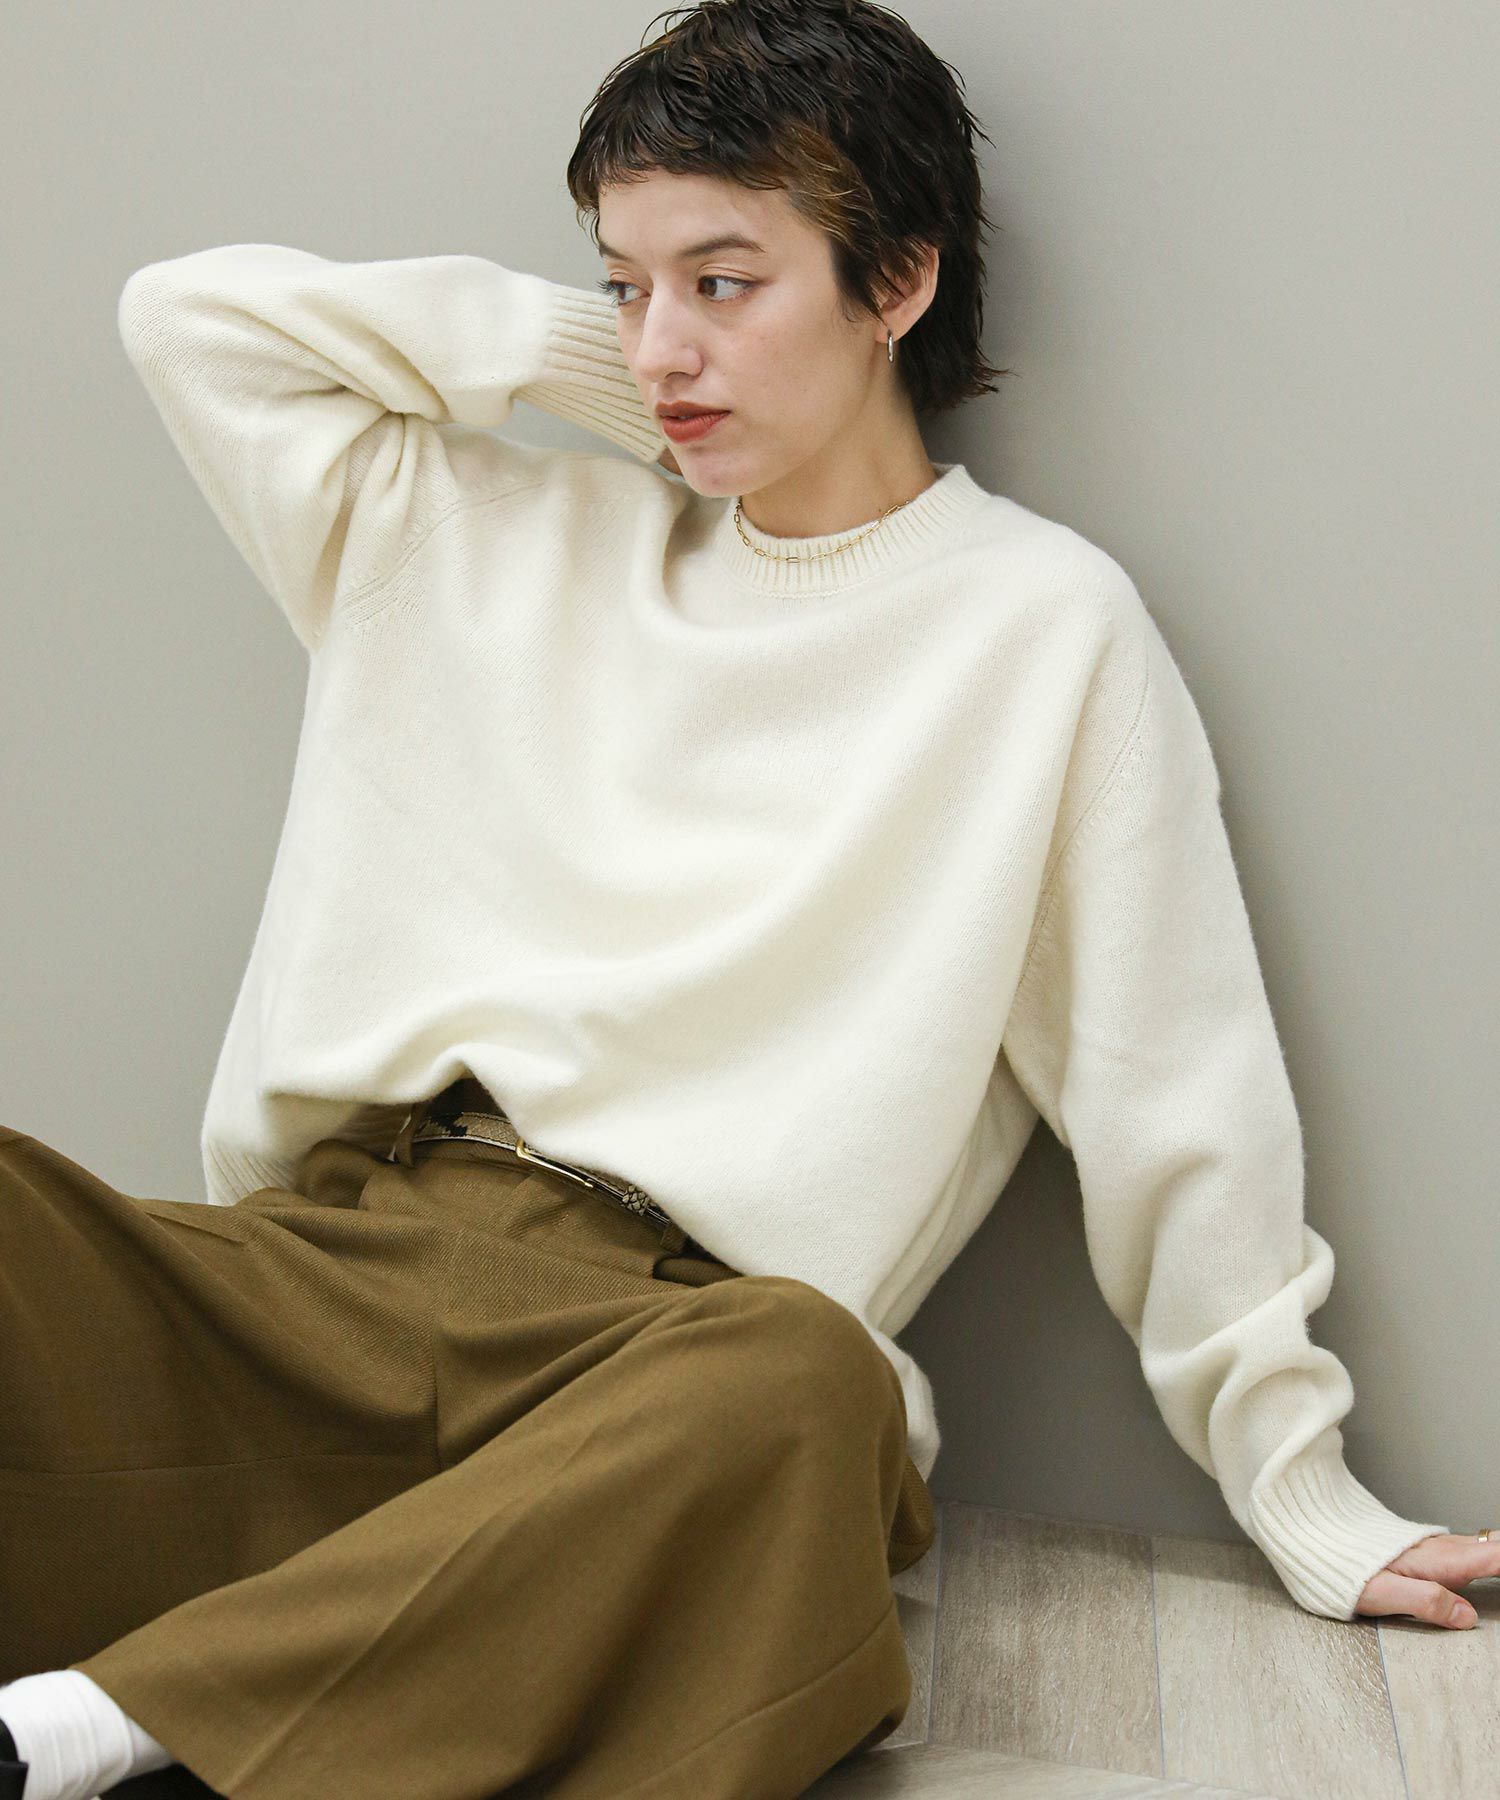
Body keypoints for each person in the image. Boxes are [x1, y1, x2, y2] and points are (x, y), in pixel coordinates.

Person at [3, 2, 1493, 1797]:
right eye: (623, 286)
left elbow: (1175, 1093)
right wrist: (616, 363)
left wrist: (1298, 1486)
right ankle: (309, 1679)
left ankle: (88, 1732)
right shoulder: (475, 537)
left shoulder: (1042, 635)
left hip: (683, 1358)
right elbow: (191, 321)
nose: (662, 346)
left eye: (725, 282)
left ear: (898, 283)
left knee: (813, 1388)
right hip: (336, 1276)